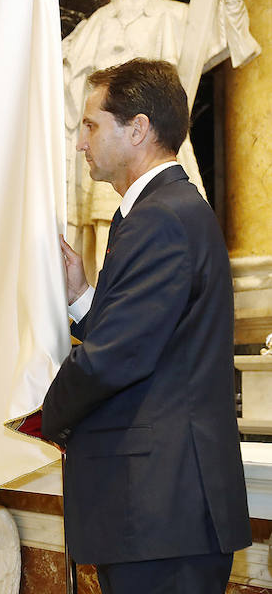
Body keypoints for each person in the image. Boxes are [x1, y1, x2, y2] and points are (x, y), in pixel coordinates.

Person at [41, 59, 250, 593]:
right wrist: (81, 297)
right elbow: (148, 339)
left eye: (90, 125)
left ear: (136, 128)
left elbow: (115, 358)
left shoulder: (161, 217)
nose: (81, 143)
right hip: (161, 517)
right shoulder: (161, 212)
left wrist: (43, 411)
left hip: (162, 514)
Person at [62, 0, 260, 283]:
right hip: (106, 159)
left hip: (153, 152)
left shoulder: (177, 18)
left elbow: (227, 36)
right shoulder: (94, 25)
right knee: (103, 247)